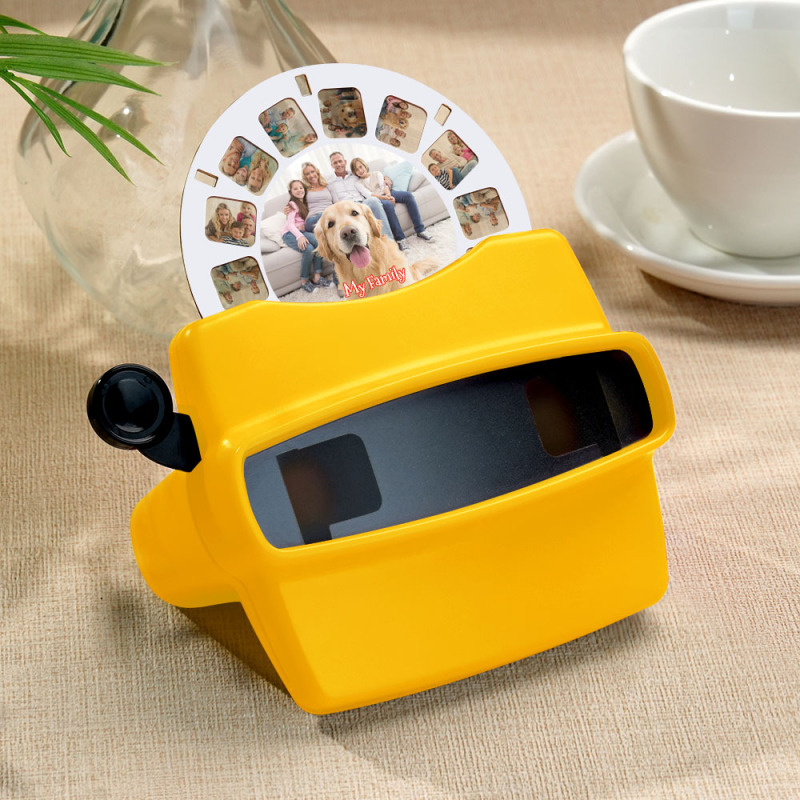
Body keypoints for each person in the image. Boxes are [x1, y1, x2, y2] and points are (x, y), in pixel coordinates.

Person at [351, 157, 434, 250]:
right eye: (357, 170)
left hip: (387, 193)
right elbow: (369, 195)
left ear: (365, 165)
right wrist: (386, 199)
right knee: (388, 205)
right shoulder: (358, 183)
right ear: (355, 172)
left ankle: (420, 230)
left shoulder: (377, 173)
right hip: (377, 200)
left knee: (408, 196)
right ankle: (400, 239)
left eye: (361, 167)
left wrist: (389, 196)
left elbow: (384, 186)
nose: (360, 170)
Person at [326, 151, 395, 240]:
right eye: (335, 163)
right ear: (332, 165)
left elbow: (369, 175)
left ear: (345, 162)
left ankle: (388, 240)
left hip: (362, 203)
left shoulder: (354, 174)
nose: (338, 164)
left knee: (373, 200)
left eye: (340, 161)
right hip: (347, 208)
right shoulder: (329, 181)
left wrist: (386, 178)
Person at [281, 179, 330, 292]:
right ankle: (304, 281)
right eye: (295, 189)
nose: (299, 190)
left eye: (301, 188)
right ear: (291, 192)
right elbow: (290, 225)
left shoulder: (306, 203)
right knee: (308, 249)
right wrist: (300, 237)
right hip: (289, 233)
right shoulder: (292, 204)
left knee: (319, 243)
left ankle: (317, 277)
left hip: (302, 231)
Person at [299, 162, 336, 233]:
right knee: (328, 215)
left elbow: (336, 202)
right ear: (305, 177)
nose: (311, 175)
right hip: (313, 219)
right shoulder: (305, 190)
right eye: (307, 174)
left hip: (330, 215)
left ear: (317, 172)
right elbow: (297, 202)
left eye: (312, 171)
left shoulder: (328, 186)